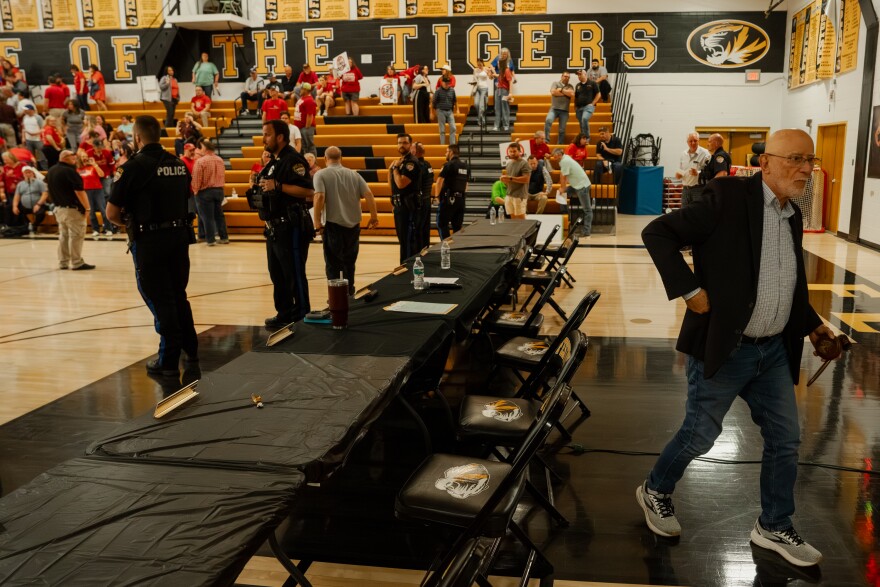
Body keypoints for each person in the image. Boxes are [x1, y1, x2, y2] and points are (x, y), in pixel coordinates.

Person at [637, 129, 833, 569]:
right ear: (765, 162)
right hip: (728, 347)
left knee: (786, 439)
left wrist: (815, 327)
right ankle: (655, 490)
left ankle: (774, 524)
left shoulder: (792, 214)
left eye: (810, 160)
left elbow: (784, 282)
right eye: (796, 159)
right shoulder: (726, 197)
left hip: (773, 351)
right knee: (699, 435)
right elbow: (658, 233)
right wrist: (689, 290)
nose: (806, 169)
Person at [106, 115, 198, 376]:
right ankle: (191, 349)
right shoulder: (178, 164)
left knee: (160, 298)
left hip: (150, 241)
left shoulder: (131, 168)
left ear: (137, 137)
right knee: (178, 294)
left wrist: (130, 224)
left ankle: (168, 360)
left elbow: (112, 214)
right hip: (179, 238)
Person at [252, 119, 315, 328]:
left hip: (291, 226)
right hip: (274, 228)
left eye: (267, 134)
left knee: (293, 273)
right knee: (277, 273)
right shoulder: (274, 161)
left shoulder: (293, 159)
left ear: (280, 137)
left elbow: (308, 191)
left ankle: (301, 315)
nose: (264, 138)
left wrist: (278, 185)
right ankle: (284, 313)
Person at [313, 145, 379, 294]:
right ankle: (350, 292)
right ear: (341, 158)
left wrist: (317, 222)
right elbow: (369, 194)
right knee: (350, 261)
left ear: (325, 158)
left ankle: (337, 296)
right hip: (353, 226)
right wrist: (374, 217)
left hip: (333, 225)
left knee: (333, 263)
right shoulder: (354, 174)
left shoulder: (320, 174)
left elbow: (319, 196)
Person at [47, 150, 94, 269]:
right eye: (72, 156)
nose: (75, 158)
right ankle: (77, 262)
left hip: (59, 209)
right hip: (72, 210)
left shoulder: (51, 170)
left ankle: (63, 262)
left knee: (64, 236)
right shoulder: (69, 171)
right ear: (64, 157)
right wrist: (87, 208)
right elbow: (79, 191)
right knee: (76, 236)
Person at [389, 132, 422, 263]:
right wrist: (392, 169)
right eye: (399, 143)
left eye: (404, 143)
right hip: (399, 205)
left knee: (408, 240)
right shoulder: (400, 161)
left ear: (410, 144)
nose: (401, 145)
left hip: (408, 206)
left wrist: (395, 168)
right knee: (402, 239)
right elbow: (392, 184)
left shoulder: (411, 163)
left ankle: (407, 267)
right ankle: (404, 265)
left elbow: (401, 184)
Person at [191, 139, 228, 246]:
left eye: (201, 147)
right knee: (219, 216)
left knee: (207, 217)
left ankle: (211, 240)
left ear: (205, 148)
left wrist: (195, 190)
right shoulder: (220, 160)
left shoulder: (201, 161)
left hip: (205, 192)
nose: (200, 150)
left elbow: (197, 178)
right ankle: (224, 237)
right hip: (219, 190)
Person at [552, 147, 592, 236]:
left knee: (587, 210)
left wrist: (563, 188)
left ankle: (586, 231)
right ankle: (565, 215)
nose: (554, 158)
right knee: (562, 195)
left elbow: (563, 176)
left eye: (555, 157)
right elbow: (563, 174)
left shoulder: (565, 161)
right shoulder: (564, 158)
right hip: (576, 185)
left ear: (559, 155)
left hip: (582, 186)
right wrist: (563, 188)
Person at [435, 144, 468, 239]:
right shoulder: (465, 166)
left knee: (442, 223)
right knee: (457, 227)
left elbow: (439, 181)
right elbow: (466, 184)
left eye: (446, 152)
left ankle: (446, 244)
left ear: (451, 152)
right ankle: (456, 246)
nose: (445, 154)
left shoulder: (448, 165)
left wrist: (437, 196)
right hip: (461, 200)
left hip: (448, 199)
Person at [76, 148, 111, 238]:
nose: (85, 158)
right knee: (91, 211)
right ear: (80, 158)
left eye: (86, 156)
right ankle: (95, 230)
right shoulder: (78, 169)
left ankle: (108, 229)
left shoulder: (93, 166)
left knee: (103, 210)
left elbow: (102, 175)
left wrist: (95, 164)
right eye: (83, 156)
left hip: (98, 189)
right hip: (86, 191)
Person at [677, 132, 711, 207]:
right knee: (684, 211)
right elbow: (681, 169)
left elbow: (709, 172)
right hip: (685, 189)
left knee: (697, 211)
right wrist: (679, 174)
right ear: (687, 142)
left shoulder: (705, 153)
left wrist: (698, 173)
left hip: (698, 189)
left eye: (695, 140)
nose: (693, 143)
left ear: (699, 140)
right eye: (690, 141)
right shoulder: (683, 154)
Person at [12, 165, 48, 234]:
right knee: (15, 211)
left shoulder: (39, 182)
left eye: (29, 172)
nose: (28, 174)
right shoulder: (20, 184)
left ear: (33, 173)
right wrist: (14, 206)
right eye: (26, 173)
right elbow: (17, 196)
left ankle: (35, 225)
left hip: (38, 204)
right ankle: (24, 227)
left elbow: (45, 194)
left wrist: (38, 204)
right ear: (23, 174)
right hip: (25, 206)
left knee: (40, 213)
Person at [412, 141, 434, 250]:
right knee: (425, 226)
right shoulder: (428, 164)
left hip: (419, 201)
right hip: (427, 199)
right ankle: (426, 248)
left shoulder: (417, 166)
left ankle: (419, 251)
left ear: (414, 151)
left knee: (418, 228)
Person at [500, 142, 530, 219]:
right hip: (509, 194)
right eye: (511, 151)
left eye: (514, 151)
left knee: (521, 219)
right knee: (513, 219)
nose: (512, 153)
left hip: (519, 195)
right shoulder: (509, 164)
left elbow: (526, 179)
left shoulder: (524, 163)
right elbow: (509, 180)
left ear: (520, 152)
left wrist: (510, 178)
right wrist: (505, 180)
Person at [544, 72, 574, 145]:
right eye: (565, 76)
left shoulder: (570, 86)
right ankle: (546, 140)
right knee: (548, 120)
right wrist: (565, 93)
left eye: (568, 77)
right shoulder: (555, 83)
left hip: (564, 111)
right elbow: (553, 92)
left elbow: (571, 94)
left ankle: (560, 145)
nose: (566, 78)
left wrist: (561, 90)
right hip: (554, 109)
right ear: (562, 76)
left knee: (562, 130)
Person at [493, 48, 515, 132]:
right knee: (497, 108)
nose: (498, 64)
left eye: (499, 63)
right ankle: (497, 125)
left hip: (504, 91)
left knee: (505, 108)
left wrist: (510, 93)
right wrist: (492, 75)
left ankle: (506, 125)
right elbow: (498, 77)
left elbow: (510, 81)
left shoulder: (506, 70)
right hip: (498, 90)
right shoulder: (501, 71)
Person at [574, 69, 600, 140]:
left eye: (580, 74)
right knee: (581, 123)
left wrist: (592, 104)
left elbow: (598, 94)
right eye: (578, 75)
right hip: (579, 108)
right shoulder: (577, 85)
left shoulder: (593, 83)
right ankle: (583, 138)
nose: (579, 76)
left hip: (588, 107)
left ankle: (587, 138)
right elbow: (576, 97)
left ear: (585, 74)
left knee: (584, 119)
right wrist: (575, 107)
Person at [432, 77, 457, 145]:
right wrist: (433, 112)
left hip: (449, 111)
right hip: (440, 111)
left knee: (453, 128)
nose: (447, 84)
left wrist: (457, 109)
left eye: (448, 83)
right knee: (442, 130)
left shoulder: (452, 90)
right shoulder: (438, 91)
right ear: (442, 83)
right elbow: (434, 102)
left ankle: (452, 145)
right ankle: (442, 145)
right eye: (445, 83)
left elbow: (455, 100)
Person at [294, 83, 317, 155]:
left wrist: (307, 128)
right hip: (301, 127)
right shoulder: (302, 98)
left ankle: (313, 161)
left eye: (301, 89)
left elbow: (310, 115)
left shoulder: (309, 100)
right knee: (304, 147)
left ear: (306, 90)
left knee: (309, 146)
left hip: (305, 128)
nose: (300, 90)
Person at [472, 58, 492, 127]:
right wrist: (473, 85)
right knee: (476, 104)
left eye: (480, 64)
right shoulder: (475, 70)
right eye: (478, 65)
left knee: (481, 106)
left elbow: (490, 77)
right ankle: (482, 116)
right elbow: (474, 80)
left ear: (482, 63)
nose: (479, 66)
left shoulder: (486, 69)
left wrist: (491, 71)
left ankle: (479, 120)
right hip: (477, 88)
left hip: (484, 88)